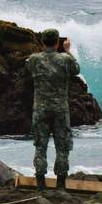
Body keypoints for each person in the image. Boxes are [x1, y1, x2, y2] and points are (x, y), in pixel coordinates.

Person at [26, 29, 80, 191]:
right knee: (62, 147)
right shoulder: (64, 59)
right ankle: (60, 185)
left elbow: (29, 65)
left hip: (40, 109)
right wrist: (68, 50)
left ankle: (41, 183)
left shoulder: (34, 59)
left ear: (42, 42)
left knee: (40, 146)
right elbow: (76, 69)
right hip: (60, 110)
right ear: (57, 42)